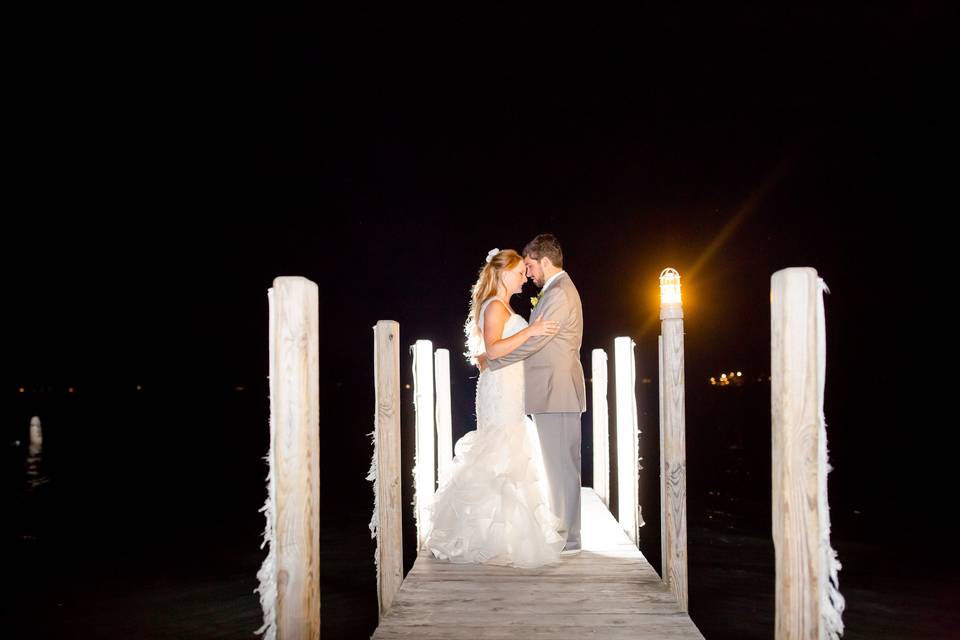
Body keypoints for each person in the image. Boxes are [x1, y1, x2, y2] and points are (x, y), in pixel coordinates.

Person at [425, 248, 564, 568]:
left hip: (509, 386)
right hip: (498, 390)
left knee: (509, 454)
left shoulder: (501, 306)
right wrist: (531, 330)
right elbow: (493, 348)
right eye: (518, 273)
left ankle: (504, 537)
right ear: (503, 274)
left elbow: (493, 354)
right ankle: (481, 537)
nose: (523, 278)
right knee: (498, 453)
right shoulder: (494, 307)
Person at [482, 233, 586, 554]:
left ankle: (569, 536)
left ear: (544, 260)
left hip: (557, 390)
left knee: (562, 466)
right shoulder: (554, 291)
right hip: (552, 390)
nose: (528, 274)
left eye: (529, 266)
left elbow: (536, 341)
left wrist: (495, 359)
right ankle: (563, 530)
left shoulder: (560, 293)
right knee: (557, 466)